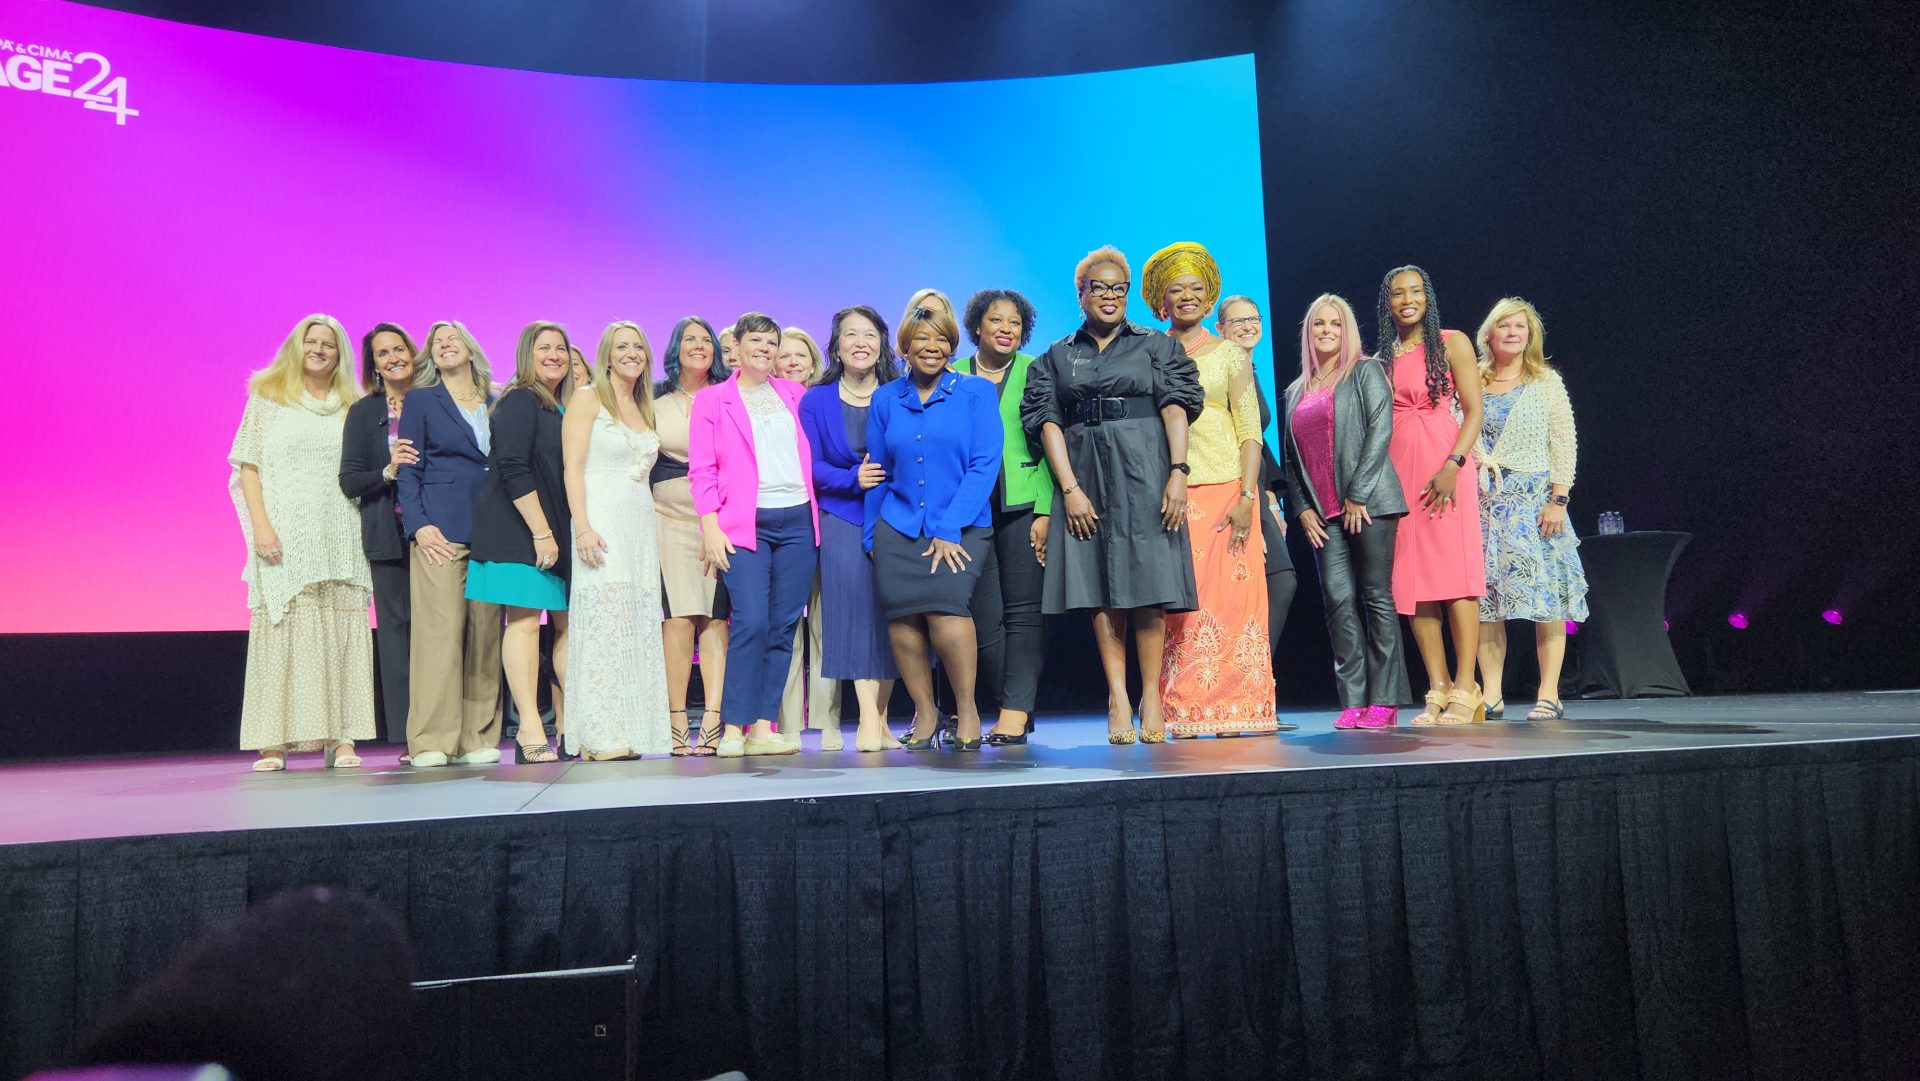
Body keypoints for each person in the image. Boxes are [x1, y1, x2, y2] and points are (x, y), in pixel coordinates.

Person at [1022, 245, 1205, 744]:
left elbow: (1176, 407)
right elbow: (1047, 423)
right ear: (1080, 294)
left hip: (1145, 469)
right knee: (1099, 588)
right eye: (1098, 288)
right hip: (1084, 473)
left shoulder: (1155, 345)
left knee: (1149, 587)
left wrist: (1178, 472)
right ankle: (1118, 697)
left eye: (1118, 289)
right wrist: (1070, 490)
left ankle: (1151, 697)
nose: (1109, 296)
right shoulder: (1057, 355)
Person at [227, 314, 374, 771]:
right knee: (283, 630)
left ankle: (341, 736)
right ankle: (273, 741)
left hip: (341, 532)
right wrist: (262, 528)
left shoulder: (353, 405)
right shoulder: (269, 397)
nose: (319, 349)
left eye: (329, 344)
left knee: (341, 630)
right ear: (297, 346)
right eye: (311, 341)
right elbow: (247, 467)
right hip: (287, 534)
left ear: (340, 353)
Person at [1142, 243, 1276, 737]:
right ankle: (1182, 710)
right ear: (1161, 300)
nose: (1187, 296)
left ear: (1209, 296)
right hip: (1168, 495)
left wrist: (1247, 496)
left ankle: (1235, 709)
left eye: (1196, 288)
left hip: (1226, 492)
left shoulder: (1230, 354)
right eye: (1176, 289)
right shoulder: (1148, 352)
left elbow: (1249, 430)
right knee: (1180, 607)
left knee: (1233, 603)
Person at [866, 306, 1002, 750]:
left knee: (947, 611)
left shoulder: (976, 392)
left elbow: (984, 464)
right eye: (922, 339)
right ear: (905, 347)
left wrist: (949, 527)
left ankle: (967, 711)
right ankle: (926, 711)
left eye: (942, 339)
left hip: (959, 527)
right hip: (898, 526)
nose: (932, 347)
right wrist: (871, 536)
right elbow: (877, 473)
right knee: (902, 618)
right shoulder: (886, 398)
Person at [688, 312, 817, 758]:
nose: (764, 348)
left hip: (797, 521)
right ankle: (732, 728)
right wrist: (710, 526)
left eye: (771, 342)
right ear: (738, 348)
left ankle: (763, 728)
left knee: (783, 626)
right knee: (751, 622)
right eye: (756, 341)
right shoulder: (713, 400)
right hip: (744, 524)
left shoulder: (794, 394)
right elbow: (701, 469)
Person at [1284, 295, 1411, 728]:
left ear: (1347, 330)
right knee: (1338, 601)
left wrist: (1357, 494)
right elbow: (1292, 458)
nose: (1326, 331)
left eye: (1335, 324)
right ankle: (1354, 699)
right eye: (1319, 324)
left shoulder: (1365, 371)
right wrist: (1302, 508)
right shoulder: (1296, 391)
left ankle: (1385, 700)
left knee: (1376, 598)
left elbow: (1380, 430)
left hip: (1369, 505)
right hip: (1324, 515)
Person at [1378, 265, 1487, 725]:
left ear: (1428, 296)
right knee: (1413, 581)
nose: (1408, 300)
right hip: (1398, 472)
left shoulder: (1452, 341)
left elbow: (1475, 411)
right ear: (1386, 303)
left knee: (1454, 578)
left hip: (1444, 467)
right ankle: (1438, 686)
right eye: (1398, 294)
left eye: (1416, 291)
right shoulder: (1382, 357)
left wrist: (1453, 464)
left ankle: (1467, 686)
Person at [1472, 297, 1588, 721]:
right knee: (1486, 602)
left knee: (1547, 598)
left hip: (1535, 504)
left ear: (1530, 336)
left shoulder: (1545, 382)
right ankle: (1491, 694)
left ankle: (1549, 693)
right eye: (1504, 325)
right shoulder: (1472, 380)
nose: (1512, 333)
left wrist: (1559, 499)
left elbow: (1564, 442)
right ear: (1489, 334)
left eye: (1519, 326)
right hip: (1483, 505)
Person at [396, 321, 504, 768]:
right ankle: (431, 741)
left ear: (470, 349)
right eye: (436, 342)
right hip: (440, 532)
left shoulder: (497, 401)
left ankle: (477, 737)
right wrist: (418, 525)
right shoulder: (421, 400)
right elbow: (408, 468)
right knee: (438, 637)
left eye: (451, 339)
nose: (443, 345)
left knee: (485, 637)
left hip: (494, 530)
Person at [562, 321, 672, 758]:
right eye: (622, 346)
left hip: (639, 525)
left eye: (638, 347)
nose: (631, 353)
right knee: (603, 625)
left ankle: (629, 730)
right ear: (606, 355)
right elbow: (573, 467)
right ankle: (598, 734)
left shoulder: (644, 405)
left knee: (634, 622)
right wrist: (582, 526)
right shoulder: (588, 398)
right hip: (600, 520)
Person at [467, 321, 575, 763]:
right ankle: (529, 728)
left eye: (560, 348)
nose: (554, 355)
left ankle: (570, 727)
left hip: (557, 532)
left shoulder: (560, 406)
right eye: (543, 348)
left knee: (567, 626)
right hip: (520, 531)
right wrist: (541, 532)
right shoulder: (520, 400)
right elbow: (513, 467)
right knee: (526, 623)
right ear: (526, 355)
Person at [799, 306, 904, 752]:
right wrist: (851, 479)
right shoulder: (816, 400)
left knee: (894, 616)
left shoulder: (899, 392)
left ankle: (883, 718)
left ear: (882, 344)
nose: (861, 343)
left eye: (870, 334)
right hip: (842, 516)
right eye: (851, 335)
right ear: (836, 347)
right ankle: (865, 718)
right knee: (855, 616)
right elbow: (810, 466)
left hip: (896, 516)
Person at [953, 289, 1051, 744]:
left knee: (1025, 613)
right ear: (977, 326)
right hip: (969, 509)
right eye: (996, 320)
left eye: (1015, 322)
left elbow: (1053, 442)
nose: (1006, 328)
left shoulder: (1037, 370)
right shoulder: (952, 374)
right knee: (982, 617)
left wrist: (1046, 510)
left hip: (1025, 505)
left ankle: (1014, 710)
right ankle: (1013, 700)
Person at [1216, 295, 1300, 729]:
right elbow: (1229, 441)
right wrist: (1250, 501)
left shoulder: (1250, 368)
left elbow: (1257, 443)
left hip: (1255, 491)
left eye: (1253, 318)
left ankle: (1254, 690)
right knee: (1269, 584)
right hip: (1231, 492)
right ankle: (1239, 692)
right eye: (1237, 321)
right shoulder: (1222, 369)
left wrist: (1270, 499)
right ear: (1219, 328)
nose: (1248, 326)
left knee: (1279, 583)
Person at [651, 317, 731, 755]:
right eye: (689, 339)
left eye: (706, 339)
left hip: (717, 520)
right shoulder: (653, 398)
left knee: (714, 617)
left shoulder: (728, 394)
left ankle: (714, 721)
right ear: (675, 348)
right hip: (666, 517)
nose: (698, 346)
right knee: (678, 618)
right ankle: (676, 721)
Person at [340, 323, 419, 746]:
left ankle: (444, 728)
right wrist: (388, 471)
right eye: (383, 353)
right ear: (374, 365)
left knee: (439, 631)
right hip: (388, 537)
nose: (393, 358)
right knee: (396, 632)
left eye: (399, 349)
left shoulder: (434, 400)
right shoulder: (363, 412)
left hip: (438, 536)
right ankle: (409, 734)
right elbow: (350, 480)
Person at [774, 327, 840, 740]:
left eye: (800, 355)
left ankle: (828, 721)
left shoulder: (826, 402)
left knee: (823, 624)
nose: (793, 361)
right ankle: (788, 725)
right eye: (785, 355)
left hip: (827, 521)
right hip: (784, 523)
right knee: (785, 626)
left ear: (814, 362)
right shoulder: (764, 404)